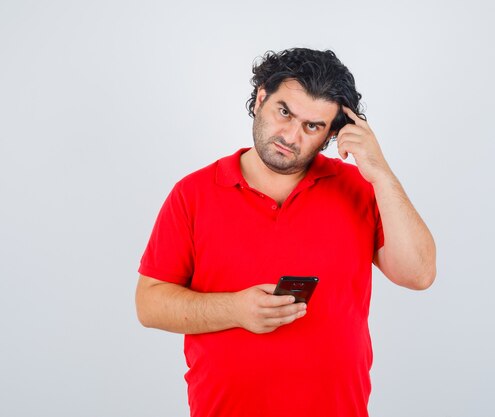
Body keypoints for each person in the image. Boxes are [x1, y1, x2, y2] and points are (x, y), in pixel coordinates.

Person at [135, 47, 436, 417]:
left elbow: (418, 274)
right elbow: (149, 305)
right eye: (284, 112)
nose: (291, 136)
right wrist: (235, 309)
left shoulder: (359, 188)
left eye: (312, 126)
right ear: (261, 96)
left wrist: (380, 172)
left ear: (332, 133)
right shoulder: (193, 194)